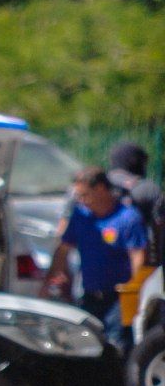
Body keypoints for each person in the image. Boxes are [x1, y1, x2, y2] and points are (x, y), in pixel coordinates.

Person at [43, 167, 150, 350]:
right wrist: (49, 281)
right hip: (90, 296)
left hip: (118, 298)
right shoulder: (81, 216)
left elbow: (137, 256)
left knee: (116, 345)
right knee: (86, 344)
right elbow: (63, 249)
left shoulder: (127, 218)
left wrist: (133, 289)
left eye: (85, 195)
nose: (81, 200)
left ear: (100, 188)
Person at [108, 141, 161, 266]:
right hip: (140, 259)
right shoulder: (148, 188)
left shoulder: (92, 186)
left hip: (101, 258)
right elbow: (159, 227)